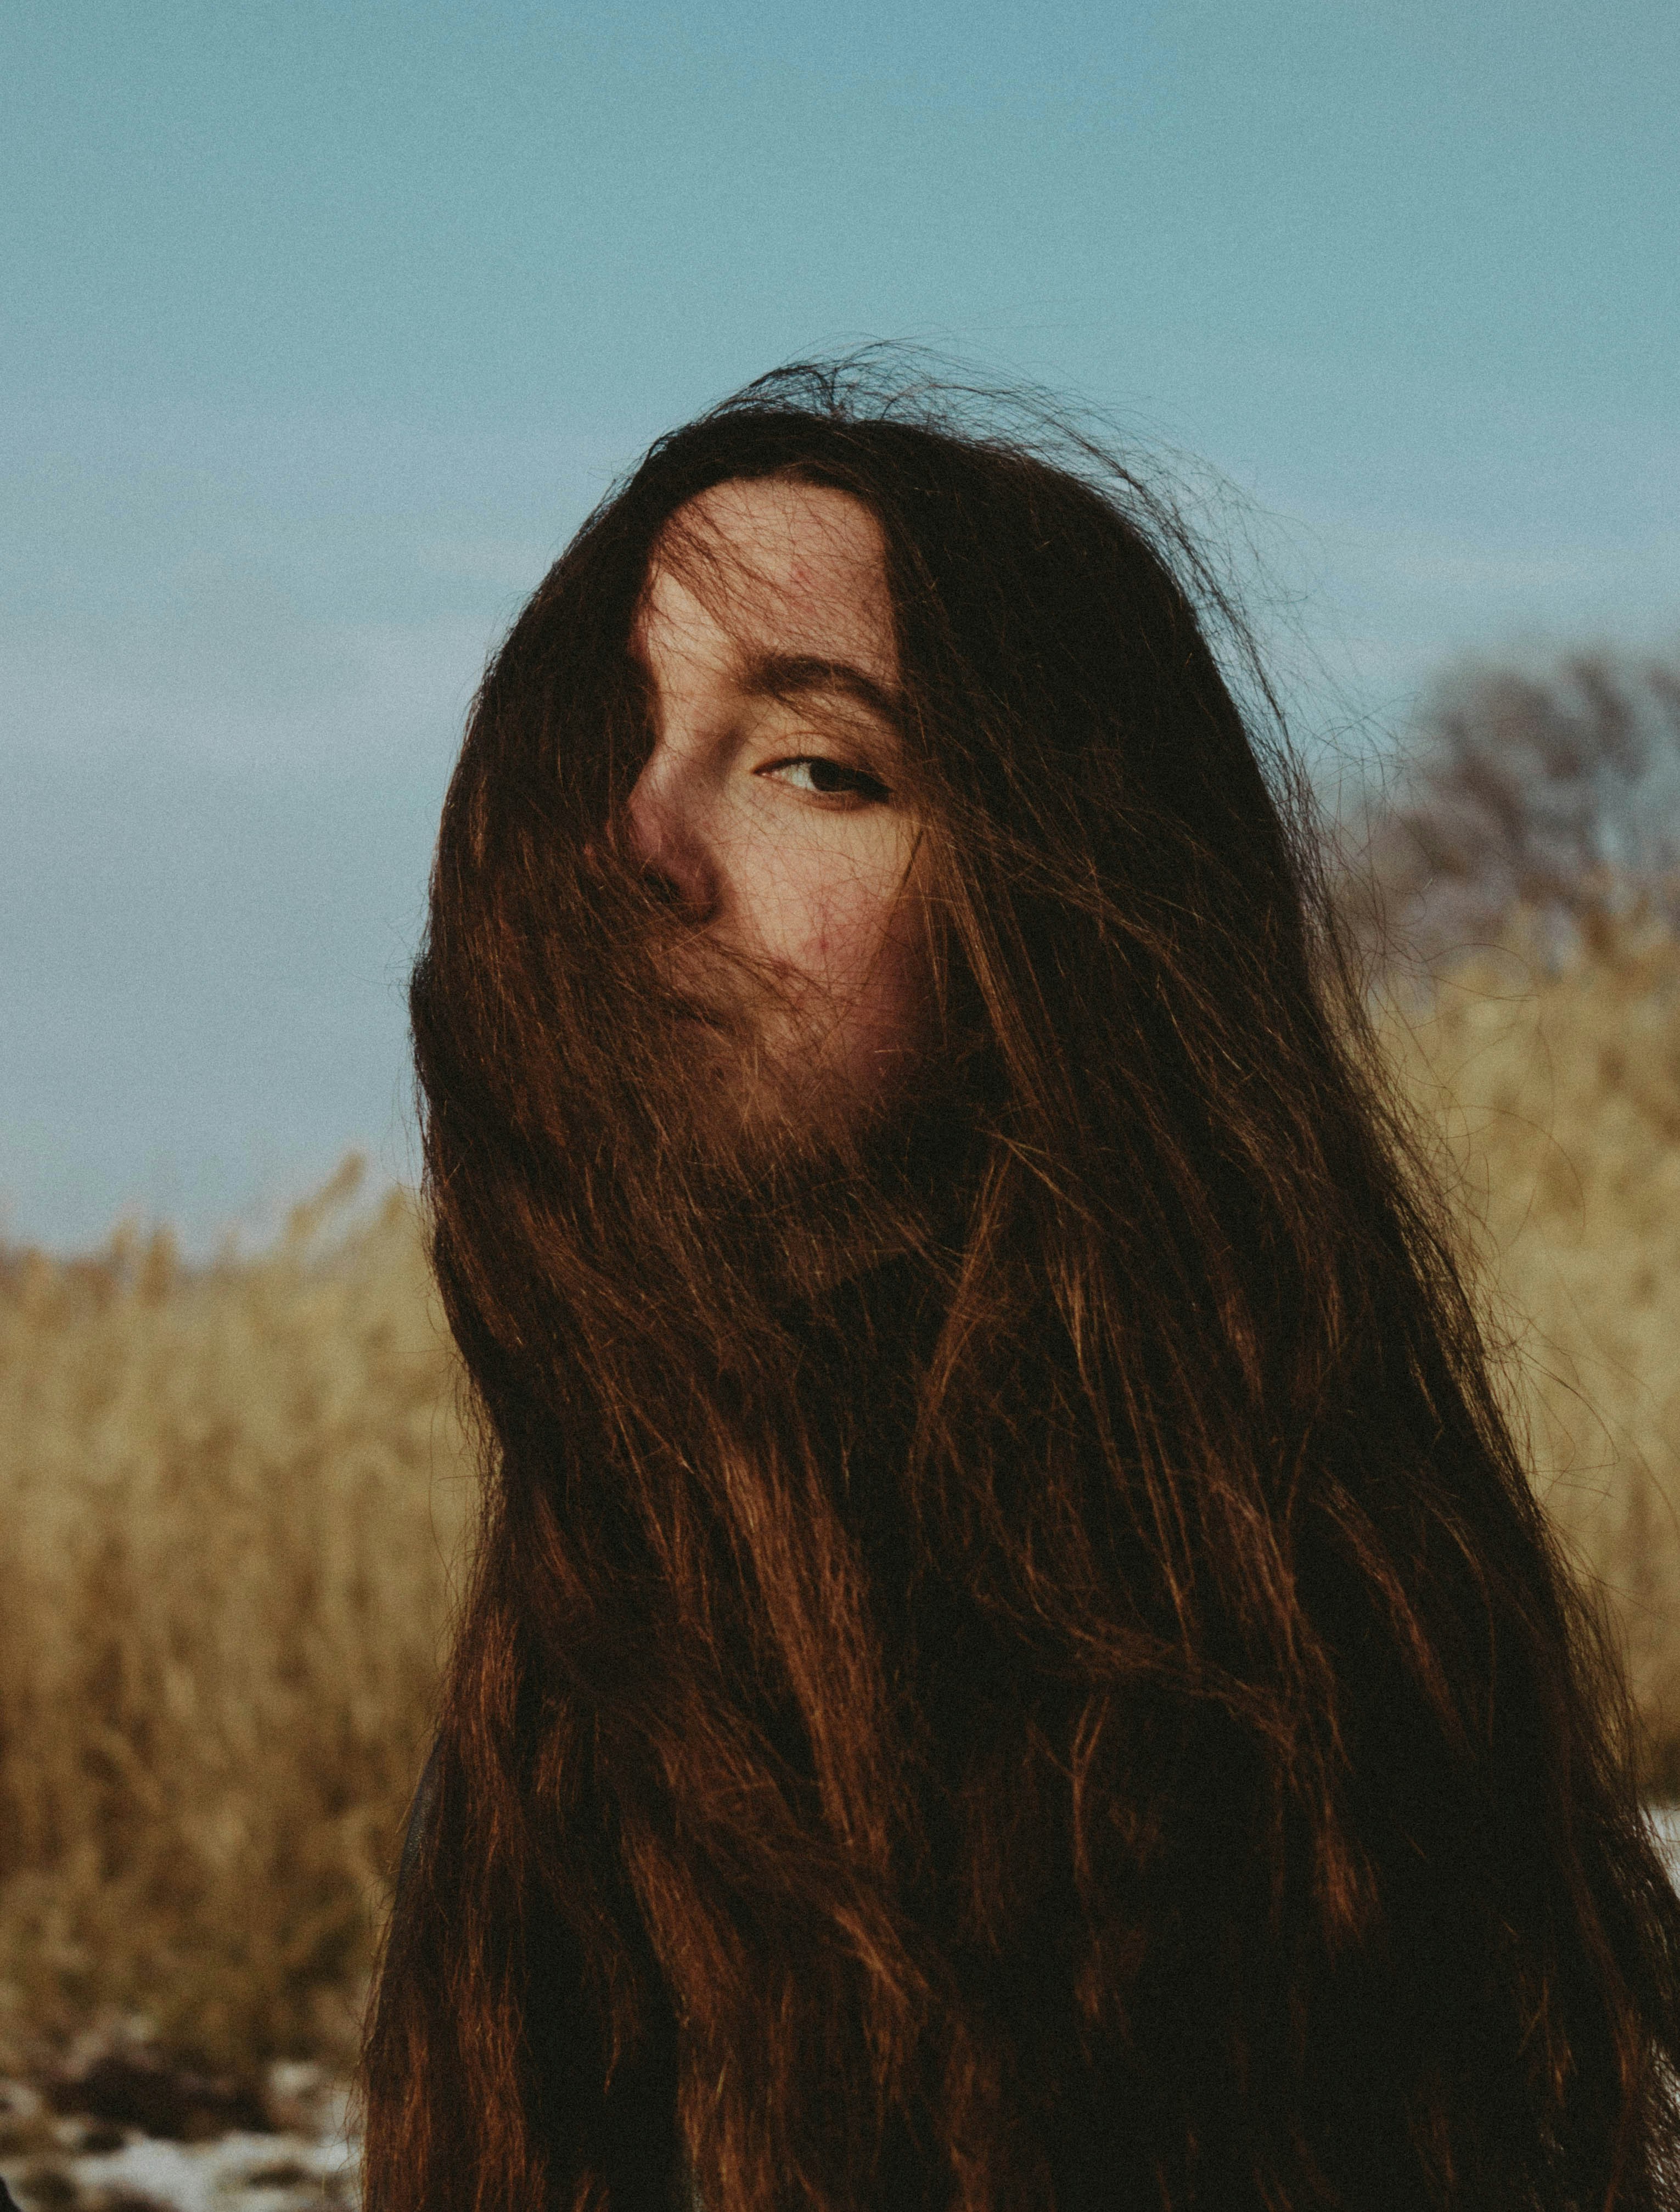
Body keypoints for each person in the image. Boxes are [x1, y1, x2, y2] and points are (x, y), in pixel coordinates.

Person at [361, 357, 1680, 2211]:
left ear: (1056, 904)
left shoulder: (1243, 1690)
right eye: (607, 744)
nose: (637, 843)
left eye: (817, 766)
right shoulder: (604, 1584)